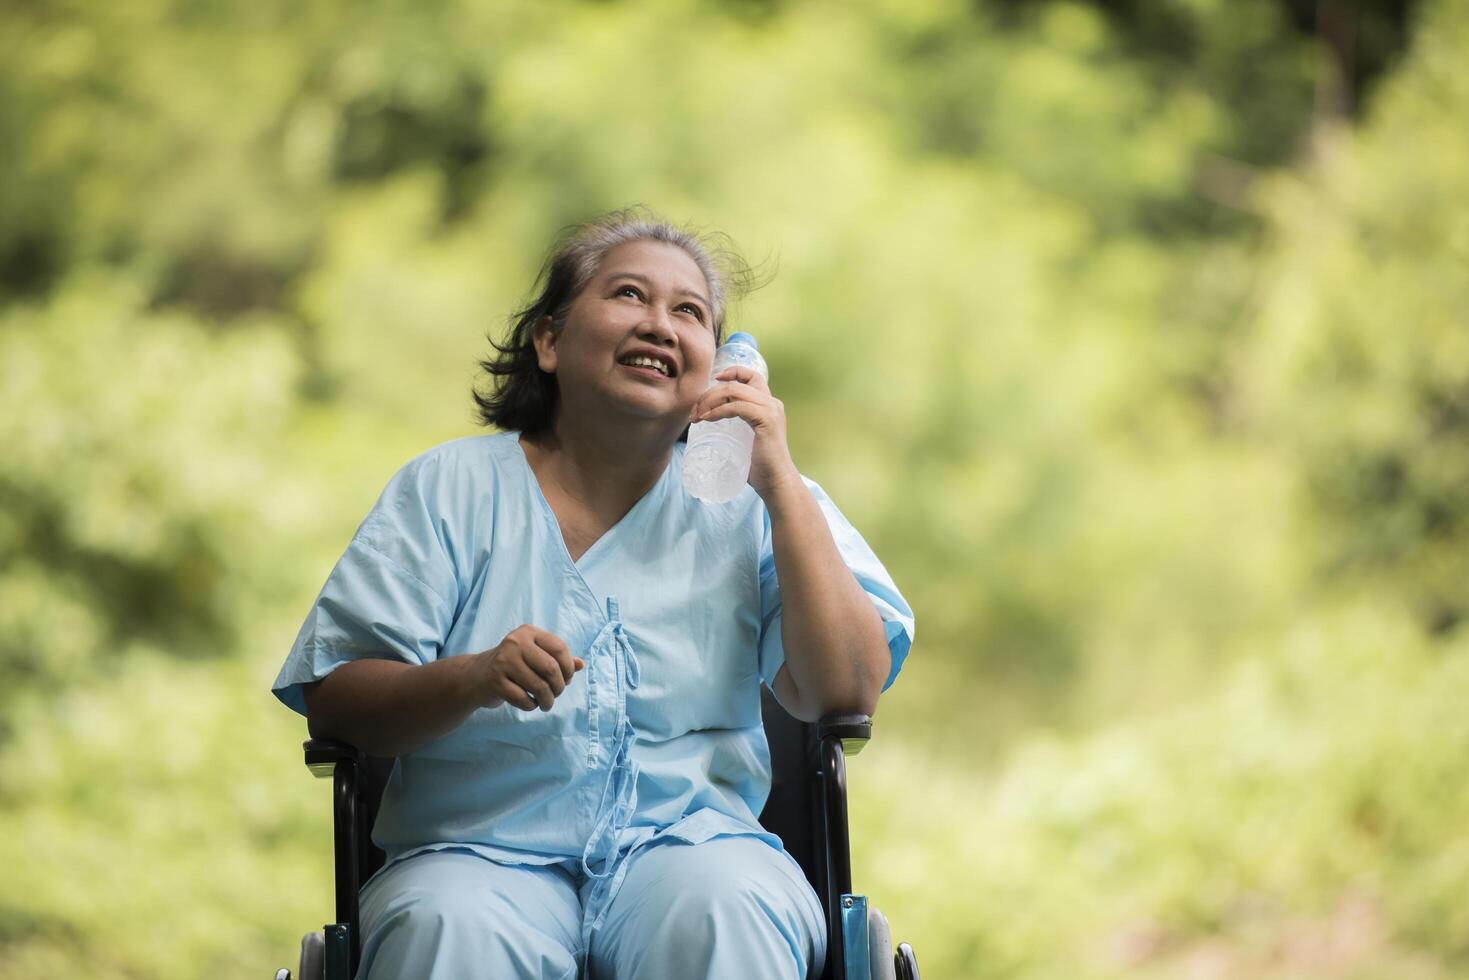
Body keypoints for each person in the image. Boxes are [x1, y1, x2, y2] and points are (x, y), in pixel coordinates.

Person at [271, 209, 915, 979]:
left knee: (724, 907)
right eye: (628, 296)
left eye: (689, 312)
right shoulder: (447, 489)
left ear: (717, 363)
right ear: (548, 340)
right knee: (446, 928)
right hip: (475, 856)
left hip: (691, 848)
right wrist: (473, 677)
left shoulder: (766, 503)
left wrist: (777, 483)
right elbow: (337, 698)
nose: (659, 325)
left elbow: (845, 690)